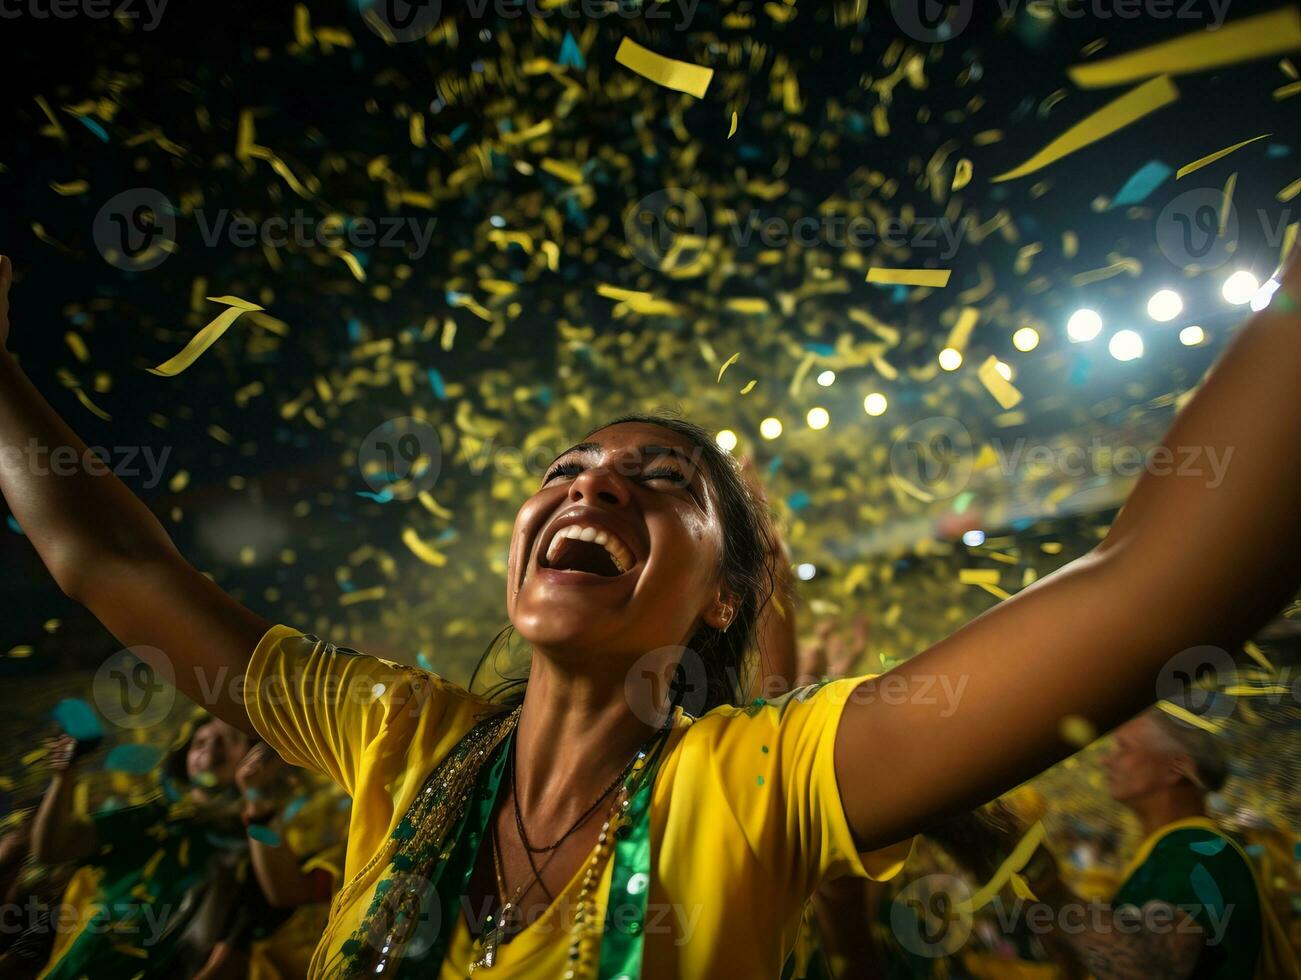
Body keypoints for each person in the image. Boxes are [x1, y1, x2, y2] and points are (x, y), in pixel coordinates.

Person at [1, 246, 1299, 977]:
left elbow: (1156, 588)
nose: (594, 483)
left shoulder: (765, 776)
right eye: (566, 471)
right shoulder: (396, 736)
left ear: (726, 589)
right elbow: (119, 569)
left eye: (657, 480)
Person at [29, 719, 281, 979]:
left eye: (227, 739)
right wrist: (63, 777)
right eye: (199, 742)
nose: (210, 749)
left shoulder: (258, 844)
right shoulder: (150, 817)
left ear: (256, 755)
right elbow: (52, 849)